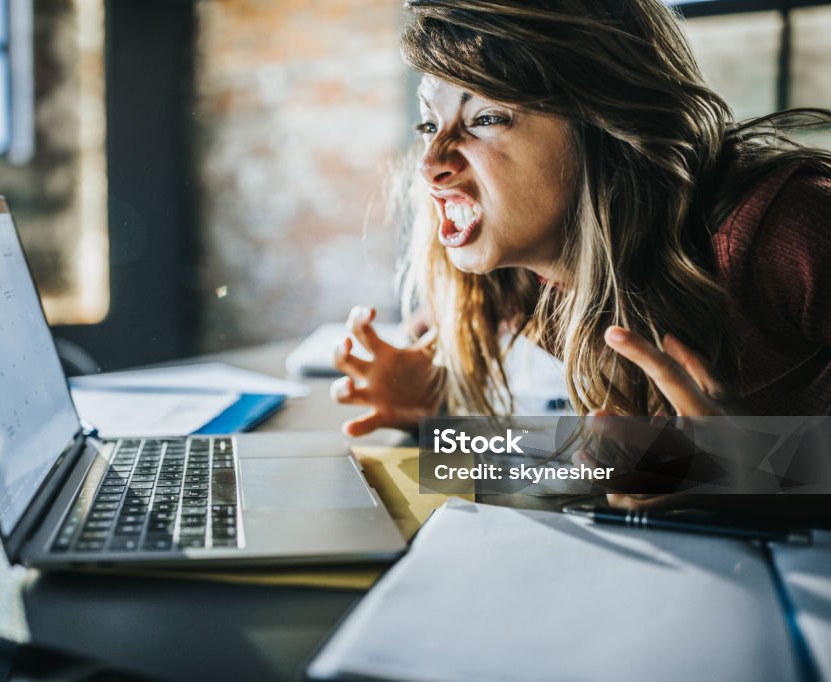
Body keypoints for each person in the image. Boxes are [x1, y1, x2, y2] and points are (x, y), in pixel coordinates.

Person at [330, 0, 831, 510]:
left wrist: (766, 474)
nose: (431, 163)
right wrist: (438, 417)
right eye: (428, 125)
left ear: (609, 124)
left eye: (485, 118)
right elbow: (570, 461)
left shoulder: (791, 229)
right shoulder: (514, 278)